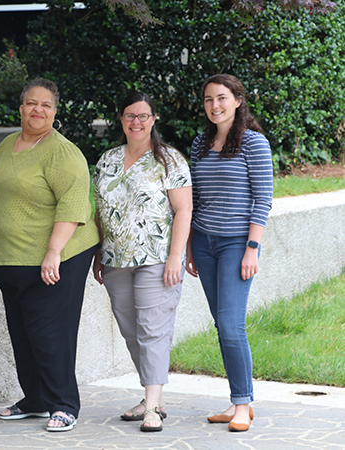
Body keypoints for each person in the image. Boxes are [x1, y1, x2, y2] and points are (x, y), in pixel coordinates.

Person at [0, 78, 99, 432]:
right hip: (10, 260)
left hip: (57, 258)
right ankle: (34, 398)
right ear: (20, 108)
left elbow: (74, 205)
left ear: (55, 111)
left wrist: (53, 252)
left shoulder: (62, 152)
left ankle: (64, 404)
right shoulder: (5, 145)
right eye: (31, 103)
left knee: (51, 333)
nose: (38, 110)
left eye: (46, 105)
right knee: (22, 332)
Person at [92, 92, 192, 432]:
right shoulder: (106, 161)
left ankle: (152, 408)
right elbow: (99, 211)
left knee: (153, 329)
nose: (137, 122)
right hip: (115, 259)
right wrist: (97, 253)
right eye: (130, 116)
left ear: (153, 119)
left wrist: (175, 257)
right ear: (121, 119)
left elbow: (184, 210)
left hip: (156, 257)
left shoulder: (170, 160)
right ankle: (154, 397)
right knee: (131, 330)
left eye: (143, 116)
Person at [186, 74, 273, 432]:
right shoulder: (199, 144)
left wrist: (252, 248)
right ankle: (238, 400)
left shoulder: (254, 144)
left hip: (237, 244)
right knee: (223, 325)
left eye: (221, 98)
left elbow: (263, 199)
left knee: (232, 326)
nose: (215, 106)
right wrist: (191, 246)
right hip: (204, 243)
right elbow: (195, 200)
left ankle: (242, 403)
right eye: (208, 100)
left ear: (238, 100)